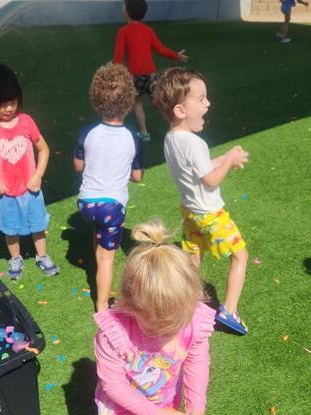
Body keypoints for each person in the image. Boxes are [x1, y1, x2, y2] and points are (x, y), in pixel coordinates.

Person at [94, 220, 216, 415]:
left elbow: (197, 360)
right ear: (132, 306)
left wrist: (196, 407)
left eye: (176, 325)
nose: (167, 333)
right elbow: (112, 383)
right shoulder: (114, 331)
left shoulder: (193, 320)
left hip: (163, 399)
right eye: (159, 327)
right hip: (122, 404)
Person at [152, 67, 250, 335]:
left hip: (190, 212)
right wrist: (229, 161)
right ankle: (229, 311)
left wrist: (227, 158)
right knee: (240, 256)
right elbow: (211, 179)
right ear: (181, 110)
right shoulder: (195, 143)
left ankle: (191, 299)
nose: (208, 104)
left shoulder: (171, 139)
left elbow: (201, 169)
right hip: (210, 214)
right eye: (201, 98)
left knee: (193, 257)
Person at [0, 63, 59, 279]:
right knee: (10, 228)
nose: (9, 109)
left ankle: (42, 255)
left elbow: (44, 148)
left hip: (31, 188)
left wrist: (38, 175)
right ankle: (15, 258)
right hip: (5, 192)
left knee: (38, 224)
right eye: (2, 104)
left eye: (13, 102)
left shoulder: (26, 121)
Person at [74, 63, 143, 312]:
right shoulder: (132, 138)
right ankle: (102, 306)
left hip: (86, 203)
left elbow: (78, 166)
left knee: (99, 231)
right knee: (107, 260)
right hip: (111, 207)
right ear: (129, 102)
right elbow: (137, 176)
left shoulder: (87, 132)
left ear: (96, 100)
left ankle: (97, 269)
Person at [113, 0, 188, 141]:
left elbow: (118, 57)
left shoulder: (123, 32)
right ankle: (176, 125)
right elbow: (160, 49)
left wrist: (115, 75)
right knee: (158, 102)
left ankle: (144, 132)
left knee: (137, 103)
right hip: (151, 75)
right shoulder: (148, 30)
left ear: (126, 12)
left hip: (134, 76)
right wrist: (176, 55)